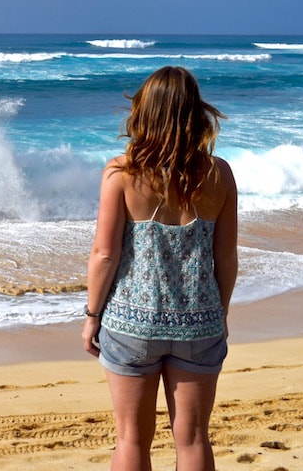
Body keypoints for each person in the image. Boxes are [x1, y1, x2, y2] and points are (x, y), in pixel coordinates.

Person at [83, 66, 238, 471]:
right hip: (198, 323)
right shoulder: (219, 174)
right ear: (196, 113)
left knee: (131, 440)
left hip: (133, 324)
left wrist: (91, 316)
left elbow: (104, 254)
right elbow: (226, 258)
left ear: (143, 112)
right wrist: (217, 313)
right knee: (192, 439)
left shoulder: (121, 173)